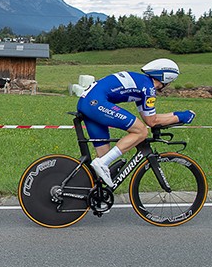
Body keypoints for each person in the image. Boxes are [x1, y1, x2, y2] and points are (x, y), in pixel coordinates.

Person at [79, 58, 195, 186]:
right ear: (167, 78)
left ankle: (96, 194)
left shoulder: (142, 84)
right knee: (141, 131)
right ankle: (101, 163)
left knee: (104, 158)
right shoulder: (148, 88)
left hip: (88, 103)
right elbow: (152, 122)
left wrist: (174, 116)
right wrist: (182, 116)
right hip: (95, 103)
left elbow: (150, 118)